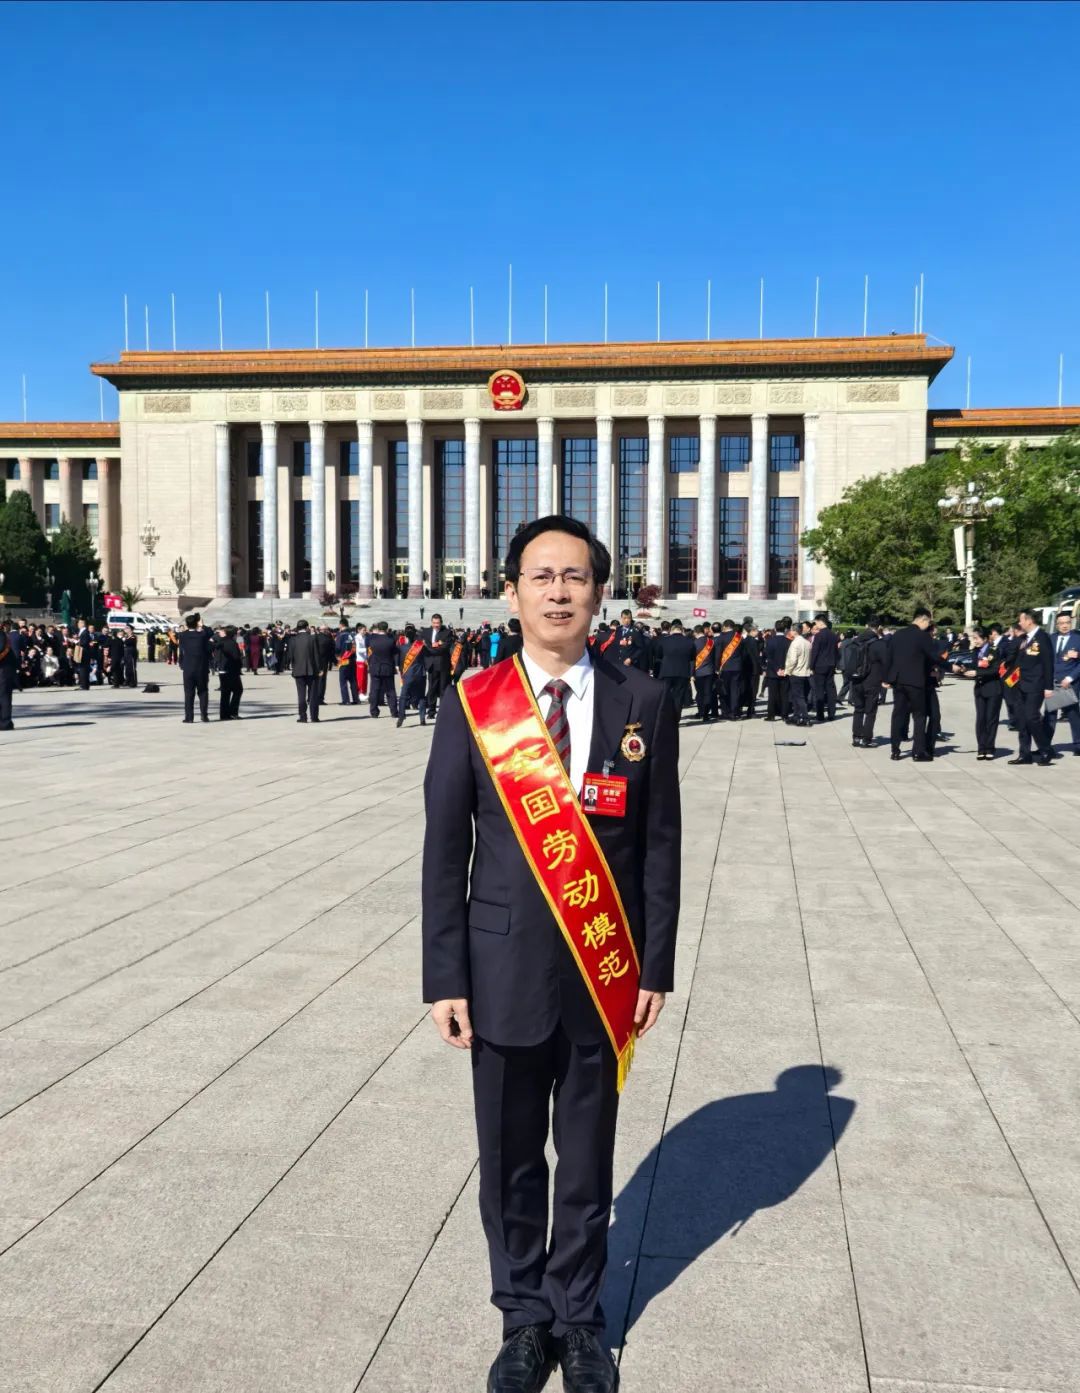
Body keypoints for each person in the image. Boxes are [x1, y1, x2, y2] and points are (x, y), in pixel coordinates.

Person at [422, 514, 679, 1393]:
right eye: (542, 576)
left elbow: (659, 845)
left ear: (600, 592)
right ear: (512, 592)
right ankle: (524, 1317)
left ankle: (579, 1318)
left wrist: (653, 965)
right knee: (509, 1157)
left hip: (604, 969)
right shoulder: (473, 702)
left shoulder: (644, 699)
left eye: (575, 576)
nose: (559, 591)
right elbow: (444, 848)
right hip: (499, 971)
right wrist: (445, 977)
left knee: (588, 1156)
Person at [885, 608, 943, 761]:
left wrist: (887, 678)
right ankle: (918, 752)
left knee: (898, 715)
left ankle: (895, 750)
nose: (928, 625)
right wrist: (950, 667)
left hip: (899, 681)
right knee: (919, 715)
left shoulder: (898, 634)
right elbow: (933, 657)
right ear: (923, 619)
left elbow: (889, 657)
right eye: (928, 622)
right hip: (916, 681)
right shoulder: (922, 636)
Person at [1007, 608, 1054, 766]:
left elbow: (1048, 663)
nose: (1019, 623)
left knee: (1031, 717)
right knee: (1021, 720)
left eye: (1021, 620)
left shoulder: (1042, 637)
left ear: (1029, 620)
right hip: (1020, 684)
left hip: (1036, 684)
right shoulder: (1024, 638)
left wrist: (1048, 686)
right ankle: (1024, 754)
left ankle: (1045, 749)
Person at [849, 619, 890, 747]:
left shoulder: (855, 641)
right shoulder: (880, 644)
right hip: (872, 680)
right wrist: (886, 679)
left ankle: (856, 737)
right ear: (879, 627)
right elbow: (886, 663)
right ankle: (866, 739)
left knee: (858, 709)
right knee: (870, 711)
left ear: (866, 625)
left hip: (856, 679)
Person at [965, 626, 1004, 760]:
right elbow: (973, 666)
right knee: (980, 719)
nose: (974, 641)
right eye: (973, 638)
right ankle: (981, 748)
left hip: (993, 689)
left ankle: (990, 748)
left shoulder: (994, 651)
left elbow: (995, 670)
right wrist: (964, 669)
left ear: (985, 638)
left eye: (976, 638)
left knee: (991, 719)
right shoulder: (975, 652)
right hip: (980, 689)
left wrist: (977, 672)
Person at [1046, 610, 1080, 756]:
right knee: (1050, 714)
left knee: (1073, 714)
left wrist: (1070, 678)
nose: (1065, 626)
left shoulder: (1078, 638)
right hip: (1053, 681)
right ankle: (1045, 746)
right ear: (1057, 625)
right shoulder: (1051, 638)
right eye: (1061, 623)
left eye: (1067, 623)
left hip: (1070, 682)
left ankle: (1078, 744)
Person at [656, 617, 695, 720]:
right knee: (679, 697)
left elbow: (658, 655)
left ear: (671, 630)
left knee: (666, 696)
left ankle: (666, 717)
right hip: (682, 672)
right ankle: (676, 718)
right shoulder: (689, 641)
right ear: (682, 630)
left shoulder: (663, 640)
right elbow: (692, 658)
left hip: (666, 672)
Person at [178, 613, 212, 723]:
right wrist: (202, 625)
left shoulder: (182, 635)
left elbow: (182, 649)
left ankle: (189, 717)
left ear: (187, 624)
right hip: (202, 668)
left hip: (188, 668)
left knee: (188, 693)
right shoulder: (202, 634)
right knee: (203, 692)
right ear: (197, 623)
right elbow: (210, 632)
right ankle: (204, 715)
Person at [289, 619, 323, 723]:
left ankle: (303, 717)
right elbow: (316, 655)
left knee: (301, 695)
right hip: (312, 670)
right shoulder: (312, 638)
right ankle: (314, 717)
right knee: (313, 695)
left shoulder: (293, 640)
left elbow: (290, 656)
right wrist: (320, 668)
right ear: (307, 627)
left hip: (298, 670)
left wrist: (293, 667)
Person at [366, 620, 400, 719]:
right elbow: (395, 652)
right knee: (390, 690)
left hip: (375, 666)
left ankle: (374, 712)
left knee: (374, 690)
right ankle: (394, 711)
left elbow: (368, 643)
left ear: (378, 628)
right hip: (387, 666)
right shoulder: (391, 639)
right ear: (386, 628)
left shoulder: (372, 638)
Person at [422, 613, 454, 716]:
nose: (436, 625)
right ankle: (431, 710)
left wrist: (429, 647)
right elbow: (423, 646)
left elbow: (444, 648)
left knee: (443, 688)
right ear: (431, 622)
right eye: (434, 623)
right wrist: (433, 647)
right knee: (432, 688)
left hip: (443, 663)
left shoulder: (447, 633)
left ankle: (443, 711)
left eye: (438, 623)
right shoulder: (426, 632)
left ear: (441, 623)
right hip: (431, 664)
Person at [397, 623, 428, 726]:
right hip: (420, 674)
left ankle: (401, 716)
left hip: (407, 675)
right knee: (421, 696)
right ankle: (422, 718)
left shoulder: (402, 648)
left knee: (403, 696)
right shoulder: (421, 646)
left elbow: (401, 663)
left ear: (405, 635)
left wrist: (402, 673)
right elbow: (426, 658)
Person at [809, 617, 840, 722]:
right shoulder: (833, 635)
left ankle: (820, 715)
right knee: (830, 690)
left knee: (819, 690)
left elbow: (815, 652)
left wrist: (811, 666)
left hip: (820, 665)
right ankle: (831, 714)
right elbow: (836, 651)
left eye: (816, 623)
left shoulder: (819, 635)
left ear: (821, 622)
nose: (816, 625)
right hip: (831, 665)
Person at [783, 621, 812, 725]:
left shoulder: (795, 643)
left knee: (799, 697)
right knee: (796, 696)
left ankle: (805, 718)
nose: (790, 632)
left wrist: (787, 671)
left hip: (796, 672)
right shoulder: (807, 642)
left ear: (795, 631)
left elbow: (792, 660)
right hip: (805, 672)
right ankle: (796, 716)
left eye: (791, 630)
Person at [763, 620, 791, 722]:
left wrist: (776, 669)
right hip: (785, 671)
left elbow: (768, 657)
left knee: (772, 694)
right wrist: (783, 669)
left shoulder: (770, 641)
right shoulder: (789, 642)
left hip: (772, 671)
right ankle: (785, 714)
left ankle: (771, 715)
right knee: (784, 694)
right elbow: (790, 658)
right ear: (785, 630)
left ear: (775, 629)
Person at [716, 620, 743, 720]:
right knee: (735, 690)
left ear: (725, 626)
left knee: (724, 690)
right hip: (737, 667)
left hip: (725, 667)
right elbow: (743, 653)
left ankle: (725, 712)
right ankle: (734, 712)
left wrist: (717, 667)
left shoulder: (721, 637)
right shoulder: (739, 637)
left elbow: (718, 654)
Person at [217, 624, 244, 719]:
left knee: (225, 693)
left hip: (222, 669)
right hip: (231, 670)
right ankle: (233, 712)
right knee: (238, 690)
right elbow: (236, 657)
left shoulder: (221, 641)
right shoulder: (232, 643)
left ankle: (224, 714)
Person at [692, 623, 717, 721]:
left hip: (697, 671)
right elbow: (714, 657)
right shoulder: (711, 642)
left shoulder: (694, 643)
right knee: (708, 692)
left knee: (700, 693)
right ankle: (706, 714)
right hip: (709, 671)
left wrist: (691, 673)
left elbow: (692, 660)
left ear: (696, 632)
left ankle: (701, 712)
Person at [335, 621, 360, 706]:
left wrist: (336, 656)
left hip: (344, 659)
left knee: (343, 681)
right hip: (353, 659)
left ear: (341, 625)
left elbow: (337, 647)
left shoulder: (340, 635)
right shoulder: (353, 635)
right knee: (353, 680)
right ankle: (356, 699)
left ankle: (346, 700)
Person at [0, 621, 16, 731]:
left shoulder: (1, 635)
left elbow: (1, 648)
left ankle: (5, 722)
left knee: (4, 696)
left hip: (4, 670)